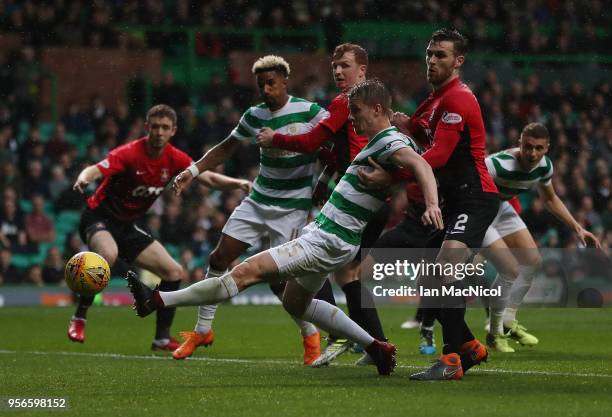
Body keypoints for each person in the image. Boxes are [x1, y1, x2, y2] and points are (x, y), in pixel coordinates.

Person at [129, 78, 443, 376]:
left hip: (328, 238)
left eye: (356, 113)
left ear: (377, 109)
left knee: (244, 273)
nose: (353, 120)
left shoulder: (388, 140)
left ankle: (156, 301)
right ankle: (377, 347)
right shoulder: (382, 140)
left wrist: (430, 204)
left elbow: (421, 164)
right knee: (295, 302)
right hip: (330, 236)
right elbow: (413, 163)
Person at [169, 55, 329, 365]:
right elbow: (227, 147)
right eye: (261, 85)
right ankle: (202, 330)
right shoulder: (254, 115)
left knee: (279, 282)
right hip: (257, 201)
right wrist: (193, 170)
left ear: (285, 81)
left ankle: (310, 334)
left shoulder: (310, 112)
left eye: (271, 83)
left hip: (292, 208)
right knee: (219, 257)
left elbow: (332, 140)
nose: (266, 90)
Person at [360, 28, 497, 380]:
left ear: (458, 62)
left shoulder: (458, 99)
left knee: (444, 267)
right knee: (432, 279)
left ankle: (452, 359)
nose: (432, 60)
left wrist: (392, 178)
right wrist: (409, 127)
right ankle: (468, 346)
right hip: (453, 201)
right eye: (430, 54)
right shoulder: (434, 100)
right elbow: (425, 135)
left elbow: (438, 155)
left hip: (474, 197)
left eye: (441, 55)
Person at [67, 104, 250, 351]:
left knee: (174, 272)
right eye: (155, 127)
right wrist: (84, 177)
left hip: (126, 226)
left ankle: (162, 338)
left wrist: (238, 183)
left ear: (173, 130)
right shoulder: (130, 153)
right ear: (147, 128)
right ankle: (80, 316)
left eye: (165, 128)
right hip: (98, 217)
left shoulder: (174, 158)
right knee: (107, 255)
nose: (159, 132)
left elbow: (206, 177)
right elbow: (97, 169)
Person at [256, 43, 389, 367]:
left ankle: (351, 338)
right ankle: (375, 346)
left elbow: (313, 141)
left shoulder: (347, 102)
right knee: (348, 274)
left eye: (345, 65)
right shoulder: (367, 104)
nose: (338, 72)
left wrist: (277, 139)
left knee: (324, 266)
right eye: (335, 67)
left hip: (358, 200)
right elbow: (336, 152)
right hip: (368, 198)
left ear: (362, 70)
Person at [482, 122, 602, 352]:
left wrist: (578, 228)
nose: (532, 153)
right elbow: (468, 190)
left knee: (532, 261)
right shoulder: (496, 165)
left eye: (538, 148)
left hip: (502, 208)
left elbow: (549, 198)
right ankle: (495, 334)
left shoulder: (544, 166)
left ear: (547, 148)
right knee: (509, 270)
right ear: (519, 144)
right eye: (528, 147)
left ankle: (507, 321)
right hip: (481, 211)